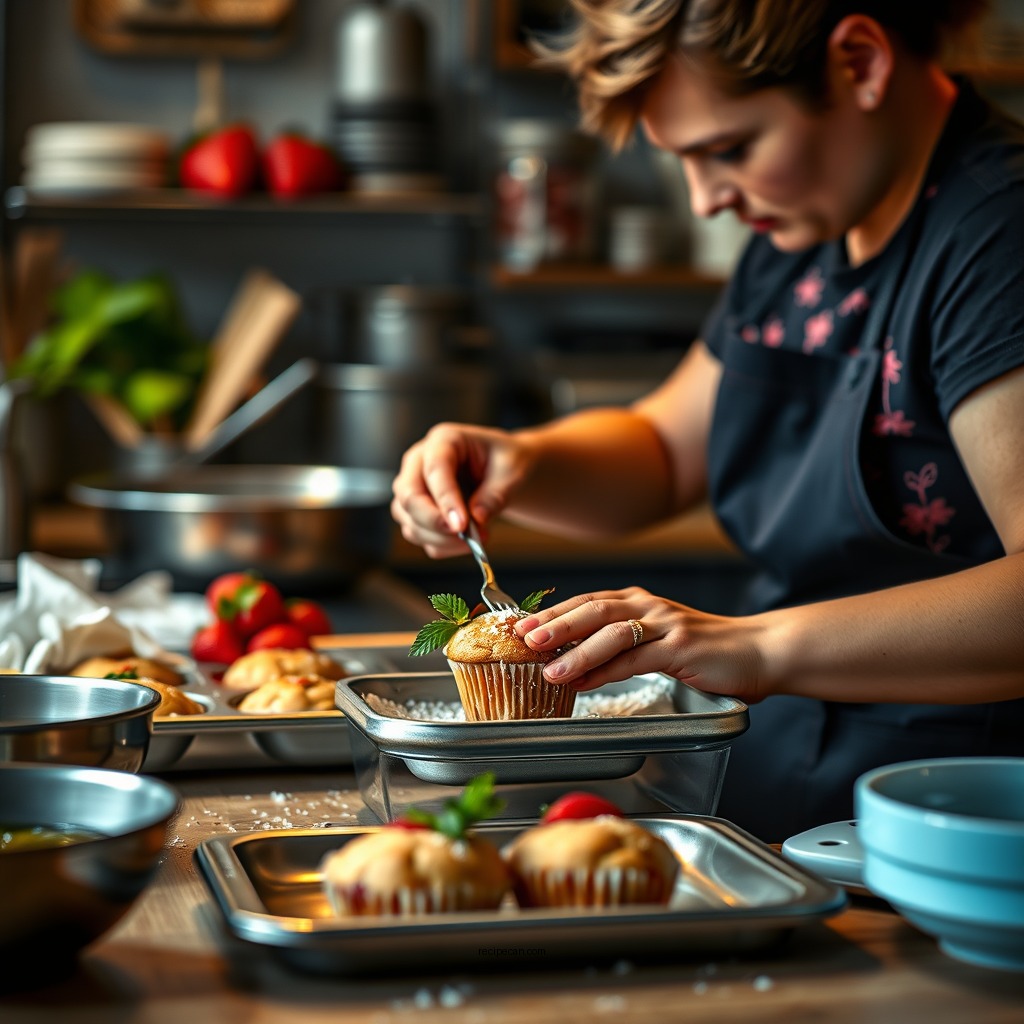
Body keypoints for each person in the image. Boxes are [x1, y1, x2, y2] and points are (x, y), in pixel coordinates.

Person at [391, 0, 1024, 842]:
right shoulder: (804, 226)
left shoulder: (997, 236)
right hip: (779, 781)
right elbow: (660, 449)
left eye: (727, 150)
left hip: (952, 814)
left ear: (861, 63)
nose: (706, 199)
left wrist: (754, 647)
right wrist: (523, 462)